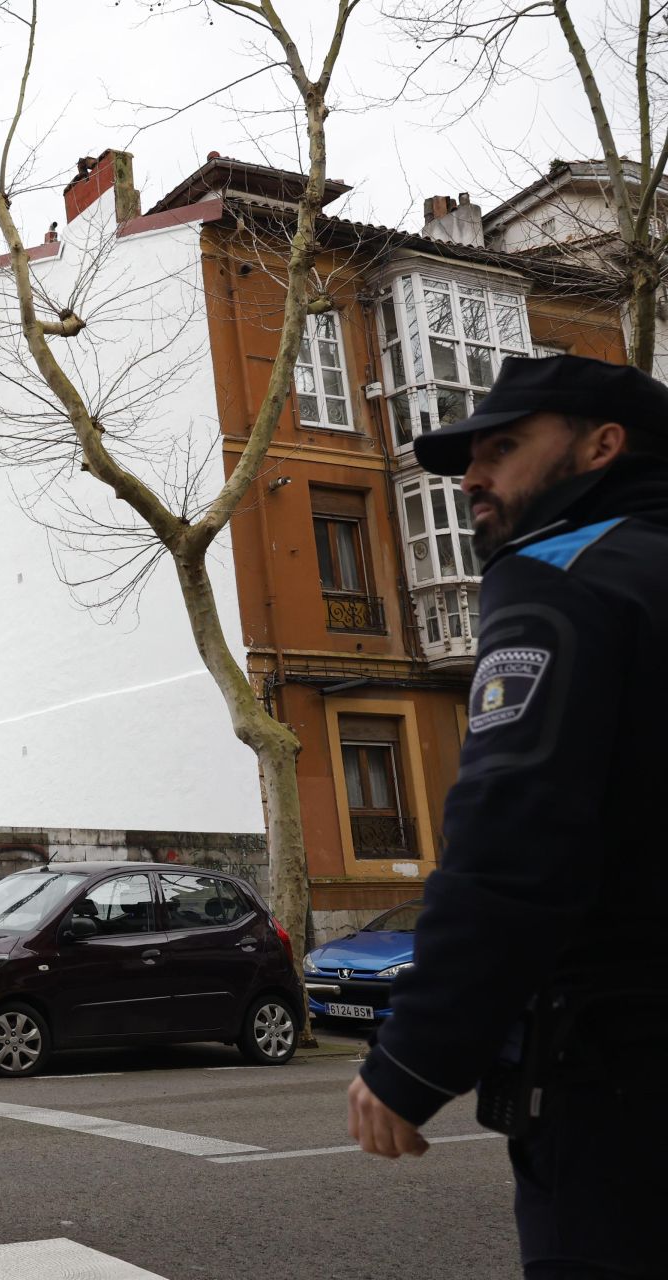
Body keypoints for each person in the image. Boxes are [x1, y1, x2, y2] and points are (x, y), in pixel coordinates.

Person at [346, 354, 668, 1277]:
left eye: (505, 448)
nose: (473, 480)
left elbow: (515, 828)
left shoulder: (560, 580)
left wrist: (417, 1055)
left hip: (623, 1074)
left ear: (603, 445)